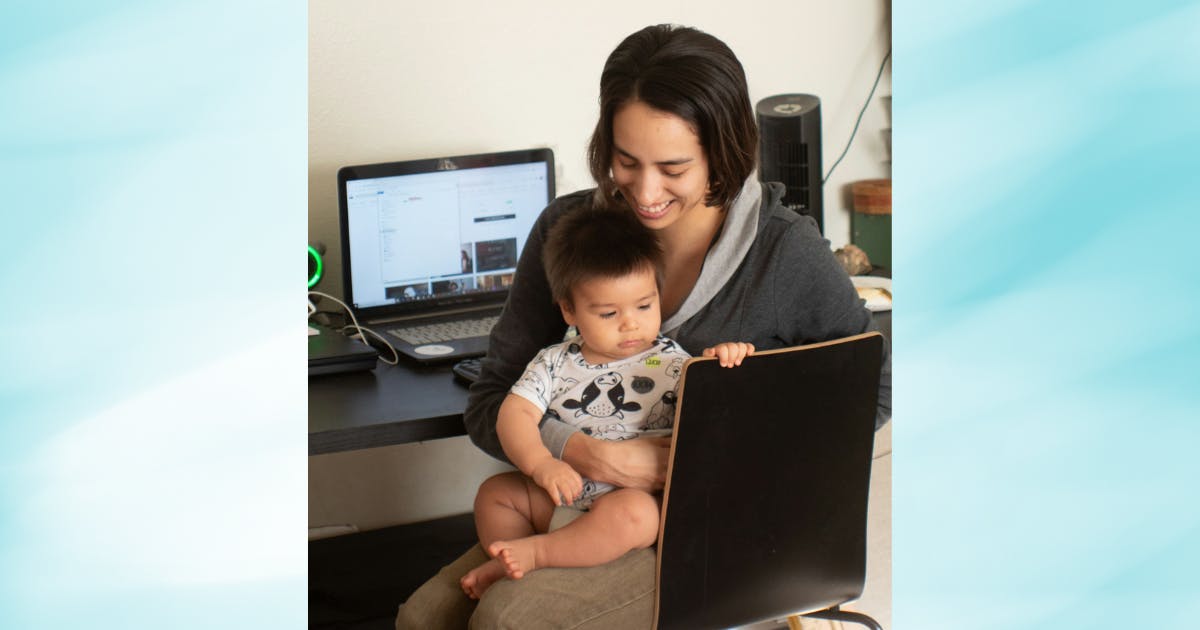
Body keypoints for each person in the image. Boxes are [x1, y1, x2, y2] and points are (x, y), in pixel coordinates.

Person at [396, 23, 891, 629]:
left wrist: (705, 462)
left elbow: (872, 390)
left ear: (722, 155)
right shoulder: (569, 235)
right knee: (423, 620)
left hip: (712, 529)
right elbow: (489, 402)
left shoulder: (784, 254)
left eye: (673, 167)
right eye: (626, 161)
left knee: (508, 621)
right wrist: (587, 454)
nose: (646, 192)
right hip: (579, 503)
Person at [458, 206, 753, 600]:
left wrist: (725, 362)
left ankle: (538, 553)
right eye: (609, 313)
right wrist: (540, 463)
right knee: (495, 494)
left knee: (639, 515)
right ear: (569, 310)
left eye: (644, 306)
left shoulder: (674, 362)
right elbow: (514, 414)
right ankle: (505, 560)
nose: (630, 324)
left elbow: (719, 413)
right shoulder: (554, 361)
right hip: (564, 495)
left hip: (625, 505)